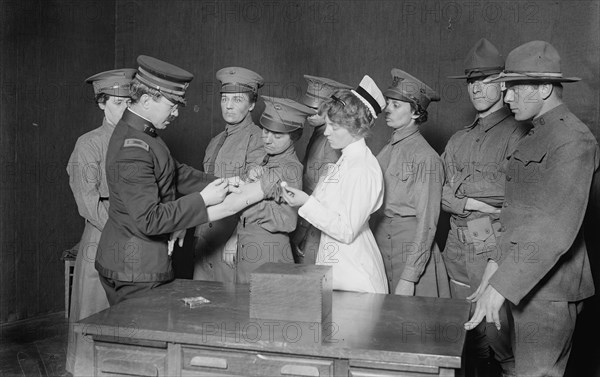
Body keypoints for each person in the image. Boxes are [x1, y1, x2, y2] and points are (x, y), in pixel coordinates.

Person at [465, 41, 599, 377]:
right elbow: (519, 213)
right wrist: (494, 265)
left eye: (513, 89)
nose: (506, 97)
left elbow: (553, 227)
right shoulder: (538, 133)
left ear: (542, 88)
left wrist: (502, 284)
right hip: (526, 280)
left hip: (549, 292)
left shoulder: (573, 140)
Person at [95, 56, 235, 306]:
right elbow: (149, 219)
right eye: (173, 104)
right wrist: (203, 200)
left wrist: (225, 183)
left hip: (136, 262)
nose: (177, 113)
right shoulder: (133, 148)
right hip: (135, 268)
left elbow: (173, 172)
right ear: (147, 100)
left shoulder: (142, 132)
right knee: (143, 341)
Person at [443, 38, 530, 376]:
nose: (477, 88)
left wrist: (459, 193)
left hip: (491, 247)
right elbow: (440, 192)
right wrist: (470, 201)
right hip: (456, 247)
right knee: (463, 343)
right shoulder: (458, 139)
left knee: (500, 340)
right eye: (471, 81)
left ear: (503, 83)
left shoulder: (519, 134)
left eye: (486, 80)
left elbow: (513, 191)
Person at [282, 76, 388, 294]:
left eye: (334, 126)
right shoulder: (345, 160)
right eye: (327, 125)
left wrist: (306, 202)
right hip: (338, 270)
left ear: (355, 127)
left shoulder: (362, 168)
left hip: (356, 276)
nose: (327, 132)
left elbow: (347, 230)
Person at [65, 68, 135, 376]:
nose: (124, 109)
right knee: (96, 312)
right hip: (102, 233)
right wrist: (123, 230)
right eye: (117, 103)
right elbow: (87, 200)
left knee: (131, 313)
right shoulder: (88, 144)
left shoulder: (140, 140)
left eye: (128, 102)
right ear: (101, 104)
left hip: (137, 236)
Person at [371, 68, 450, 298]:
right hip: (383, 247)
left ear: (416, 113)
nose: (388, 109)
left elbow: (427, 223)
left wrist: (409, 276)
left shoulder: (426, 157)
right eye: (389, 103)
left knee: (416, 329)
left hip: (411, 253)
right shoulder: (387, 149)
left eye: (397, 105)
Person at [227, 96, 311, 283]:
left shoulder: (289, 167)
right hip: (249, 243)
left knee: (266, 308)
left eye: (277, 135)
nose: (268, 139)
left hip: (268, 248)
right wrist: (235, 236)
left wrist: (246, 184)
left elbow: (241, 201)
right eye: (265, 130)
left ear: (294, 137)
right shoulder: (265, 159)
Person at [193, 67, 264, 282]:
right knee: (199, 305)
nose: (229, 105)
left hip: (231, 238)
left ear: (251, 104)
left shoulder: (259, 139)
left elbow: (258, 196)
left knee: (229, 306)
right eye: (224, 99)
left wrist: (236, 238)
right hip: (205, 234)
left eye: (237, 99)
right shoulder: (215, 141)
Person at [291, 75, 351, 264]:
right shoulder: (319, 134)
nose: (309, 114)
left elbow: (322, 196)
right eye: (307, 107)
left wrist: (300, 231)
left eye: (316, 110)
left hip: (315, 226)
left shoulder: (331, 144)